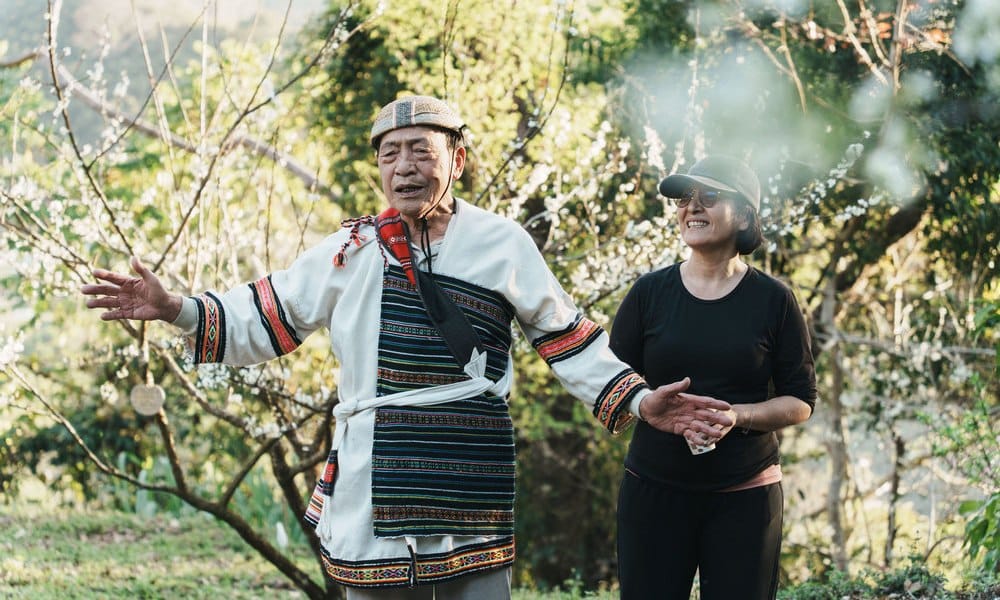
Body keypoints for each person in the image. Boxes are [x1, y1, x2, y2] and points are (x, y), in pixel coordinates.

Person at [82, 95, 734, 600]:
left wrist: (640, 399)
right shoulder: (348, 251)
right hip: (372, 481)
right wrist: (174, 308)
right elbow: (267, 314)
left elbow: (567, 336)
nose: (404, 167)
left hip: (469, 482)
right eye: (390, 154)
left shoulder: (503, 243)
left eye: (420, 150)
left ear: (458, 160)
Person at [609, 155, 817, 600]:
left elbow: (800, 401)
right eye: (685, 199)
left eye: (710, 197)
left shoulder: (774, 300)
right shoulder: (649, 293)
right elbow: (611, 384)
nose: (692, 207)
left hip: (746, 495)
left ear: (743, 214)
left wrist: (737, 416)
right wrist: (646, 404)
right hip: (653, 492)